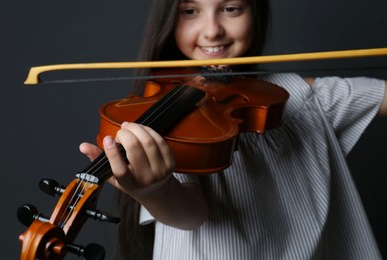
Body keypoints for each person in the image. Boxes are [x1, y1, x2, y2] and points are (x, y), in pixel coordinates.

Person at [79, 0, 387, 259]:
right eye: (190, 11)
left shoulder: (303, 97)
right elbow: (189, 214)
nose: (212, 31)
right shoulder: (165, 110)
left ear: (256, 11)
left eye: (230, 8)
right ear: (168, 20)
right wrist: (155, 191)